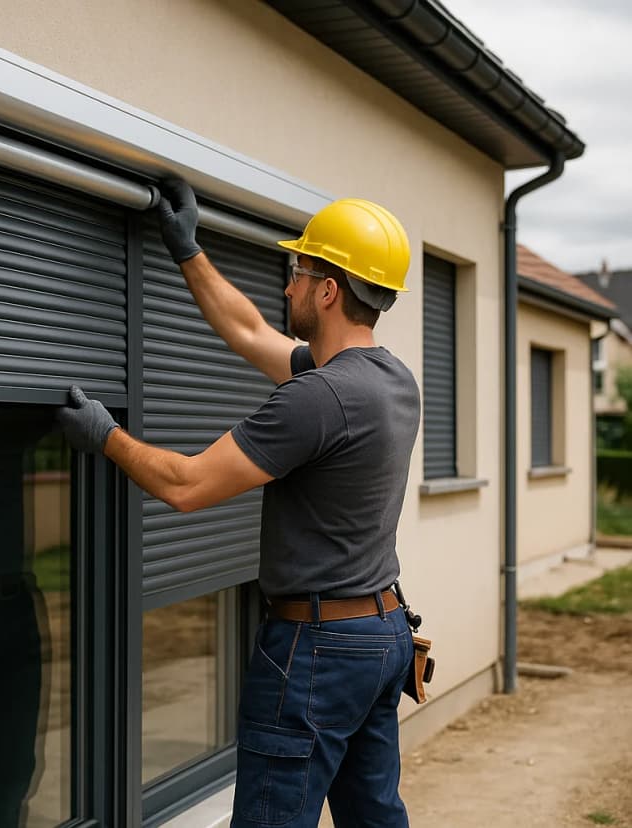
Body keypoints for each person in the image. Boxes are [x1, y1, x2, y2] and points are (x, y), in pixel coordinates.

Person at [57, 179, 421, 827]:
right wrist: (187, 251)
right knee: (374, 817)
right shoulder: (390, 380)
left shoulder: (317, 399)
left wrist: (106, 437)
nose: (287, 286)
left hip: (316, 650)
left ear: (329, 290)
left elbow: (188, 485)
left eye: (299, 272)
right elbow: (250, 331)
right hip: (380, 634)